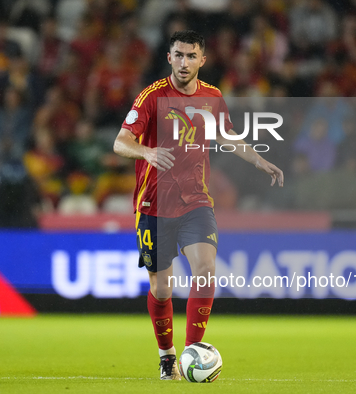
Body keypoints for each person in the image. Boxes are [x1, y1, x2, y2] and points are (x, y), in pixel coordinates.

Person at [113, 30, 284, 381]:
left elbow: (226, 136)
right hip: (154, 204)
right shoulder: (151, 97)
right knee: (162, 288)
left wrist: (259, 160)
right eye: (179, 55)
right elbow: (120, 142)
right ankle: (166, 355)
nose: (184, 62)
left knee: (205, 271)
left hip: (196, 202)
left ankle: (192, 353)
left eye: (192, 56)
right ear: (169, 57)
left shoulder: (213, 97)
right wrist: (146, 150)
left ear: (202, 60)